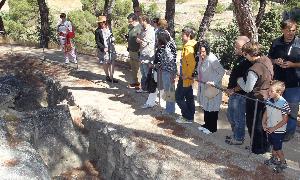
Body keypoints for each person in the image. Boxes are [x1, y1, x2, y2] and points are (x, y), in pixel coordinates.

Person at [237, 41, 273, 154]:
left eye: (245, 54)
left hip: (255, 98)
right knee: (263, 123)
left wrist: (240, 81)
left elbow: (248, 88)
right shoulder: (266, 60)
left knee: (253, 124)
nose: (245, 57)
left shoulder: (254, 69)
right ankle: (265, 146)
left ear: (250, 54)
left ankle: (257, 148)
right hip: (266, 96)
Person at [268, 19, 300, 141]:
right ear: (282, 30)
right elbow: (269, 58)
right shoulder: (276, 42)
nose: (291, 33)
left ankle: (288, 134)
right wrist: (275, 61)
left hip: (294, 83)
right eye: (288, 30)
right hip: (278, 82)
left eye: (293, 30)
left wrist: (293, 65)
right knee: (276, 107)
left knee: (291, 109)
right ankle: (275, 129)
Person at [225, 36, 252, 144]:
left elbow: (246, 82)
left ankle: (239, 138)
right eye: (235, 47)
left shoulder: (248, 61)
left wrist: (234, 90)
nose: (236, 50)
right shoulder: (240, 58)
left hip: (240, 94)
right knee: (231, 115)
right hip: (233, 92)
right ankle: (235, 134)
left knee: (238, 117)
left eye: (238, 48)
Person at [197, 40, 225, 134]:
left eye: (203, 51)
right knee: (206, 105)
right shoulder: (201, 57)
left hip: (213, 87)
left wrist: (214, 81)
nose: (202, 53)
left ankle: (212, 128)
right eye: (200, 51)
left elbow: (221, 71)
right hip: (204, 85)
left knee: (212, 107)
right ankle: (206, 125)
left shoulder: (212, 59)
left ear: (207, 50)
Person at [262, 80, 290, 173]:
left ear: (279, 92)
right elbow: (266, 112)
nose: (268, 93)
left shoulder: (283, 104)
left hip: (278, 130)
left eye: (271, 91)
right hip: (270, 128)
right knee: (273, 145)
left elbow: (285, 120)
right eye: (268, 90)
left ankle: (283, 162)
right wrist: (263, 123)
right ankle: (274, 159)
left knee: (278, 148)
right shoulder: (270, 100)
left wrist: (274, 128)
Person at [175, 27, 197, 123]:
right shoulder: (193, 45)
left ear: (188, 36)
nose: (181, 37)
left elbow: (191, 64)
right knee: (189, 97)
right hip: (187, 77)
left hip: (185, 77)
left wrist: (186, 75)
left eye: (183, 35)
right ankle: (190, 116)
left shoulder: (189, 47)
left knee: (178, 97)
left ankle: (187, 116)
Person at [156, 29, 177, 114]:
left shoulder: (167, 50)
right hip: (166, 71)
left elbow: (171, 63)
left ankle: (170, 110)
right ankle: (169, 108)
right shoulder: (168, 46)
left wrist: (172, 76)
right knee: (168, 91)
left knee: (169, 91)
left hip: (168, 72)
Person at [95, 16, 118, 83]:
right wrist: (103, 48)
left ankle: (111, 77)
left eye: (103, 22)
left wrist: (113, 39)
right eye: (101, 22)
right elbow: (97, 41)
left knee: (112, 61)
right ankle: (107, 76)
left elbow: (112, 36)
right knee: (105, 62)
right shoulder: (97, 31)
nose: (102, 24)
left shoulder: (109, 28)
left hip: (111, 48)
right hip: (104, 49)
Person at [136, 15, 156, 94]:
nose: (140, 23)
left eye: (141, 21)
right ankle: (144, 88)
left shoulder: (150, 31)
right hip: (142, 55)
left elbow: (144, 43)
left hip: (148, 56)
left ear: (144, 20)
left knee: (147, 73)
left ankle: (149, 89)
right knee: (143, 73)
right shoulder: (143, 30)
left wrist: (139, 40)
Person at [127, 13, 142, 89]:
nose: (129, 23)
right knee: (133, 68)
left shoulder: (140, 27)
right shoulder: (131, 27)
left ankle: (139, 84)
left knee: (138, 68)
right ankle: (135, 82)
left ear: (135, 20)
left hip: (137, 51)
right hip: (131, 50)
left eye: (130, 21)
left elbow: (141, 40)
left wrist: (140, 50)